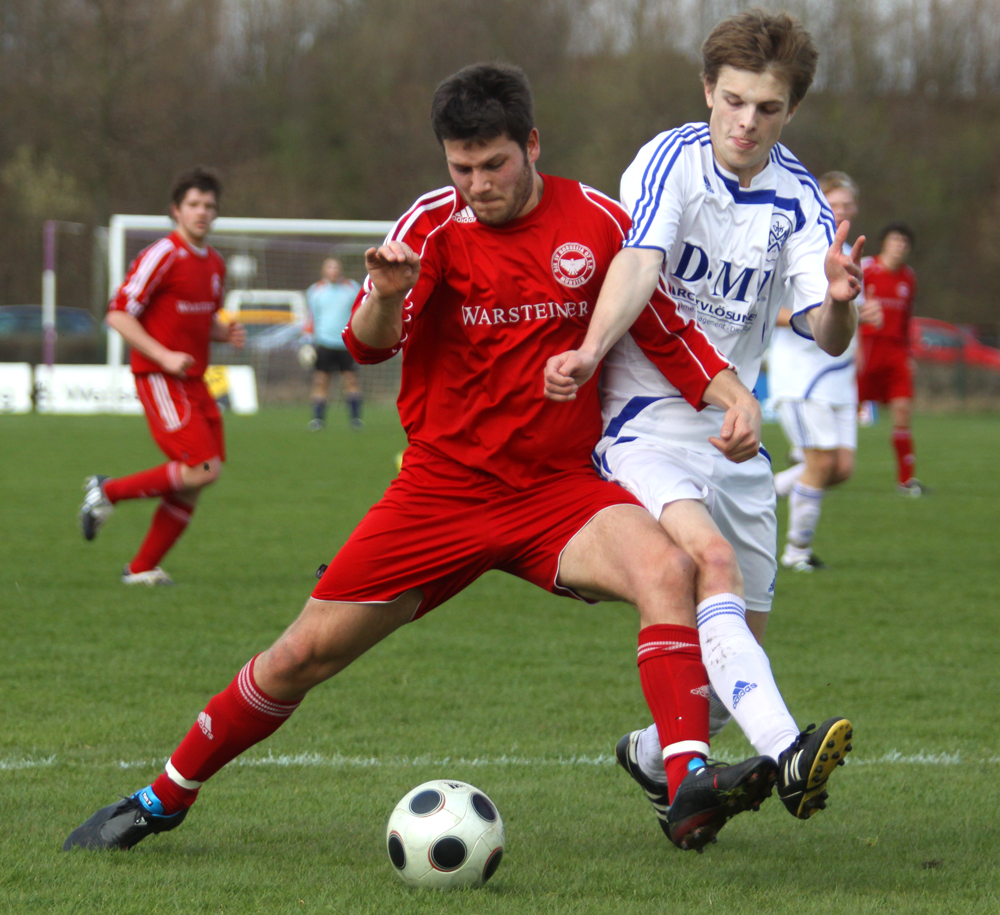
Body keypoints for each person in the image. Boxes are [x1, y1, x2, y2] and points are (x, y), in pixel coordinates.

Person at [65, 63, 777, 857]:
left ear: (532, 144)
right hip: (440, 493)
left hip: (558, 493)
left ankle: (685, 782)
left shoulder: (601, 222)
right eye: (461, 167)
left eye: (494, 164)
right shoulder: (431, 227)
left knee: (668, 570)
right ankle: (162, 796)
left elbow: (661, 327)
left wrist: (728, 392)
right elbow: (368, 346)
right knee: (300, 655)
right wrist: (382, 293)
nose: (477, 183)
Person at [545, 10, 857, 824]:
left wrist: (845, 303)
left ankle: (652, 757)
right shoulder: (668, 161)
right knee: (707, 560)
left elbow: (822, 328)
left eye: (768, 107)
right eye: (734, 100)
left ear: (792, 110)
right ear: (707, 91)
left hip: (736, 432)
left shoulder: (799, 199)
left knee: (734, 661)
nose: (747, 122)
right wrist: (590, 348)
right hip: (646, 417)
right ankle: (792, 753)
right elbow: (640, 262)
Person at [77, 168, 245, 585]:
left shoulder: (216, 264)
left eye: (209, 206)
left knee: (197, 478)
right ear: (176, 210)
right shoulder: (163, 254)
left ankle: (140, 569)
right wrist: (164, 355)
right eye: (193, 205)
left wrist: (221, 332)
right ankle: (107, 491)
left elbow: (199, 319)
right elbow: (117, 314)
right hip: (160, 378)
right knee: (203, 468)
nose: (202, 212)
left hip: (194, 381)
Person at [768, 171, 882, 571]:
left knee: (841, 469)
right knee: (819, 464)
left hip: (840, 377)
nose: (842, 211)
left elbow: (851, 315)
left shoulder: (850, 252)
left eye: (848, 205)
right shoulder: (792, 247)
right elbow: (768, 310)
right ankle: (797, 553)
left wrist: (866, 320)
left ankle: (758, 490)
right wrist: (814, 316)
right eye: (834, 204)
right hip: (801, 376)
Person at [858, 222, 924, 495]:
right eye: (895, 240)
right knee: (844, 411)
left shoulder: (908, 277)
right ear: (884, 242)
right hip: (866, 350)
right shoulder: (865, 268)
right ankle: (815, 464)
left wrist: (909, 354)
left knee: (902, 411)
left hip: (896, 353)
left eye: (904, 242)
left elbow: (906, 318)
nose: (900, 246)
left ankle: (905, 480)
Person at [305, 257, 363, 430]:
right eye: (329, 267)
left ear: (340, 269)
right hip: (324, 343)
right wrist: (307, 342)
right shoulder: (315, 291)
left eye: (336, 267)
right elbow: (310, 318)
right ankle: (318, 420)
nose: (333, 271)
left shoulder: (352, 288)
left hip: (347, 344)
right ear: (324, 270)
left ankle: (355, 420)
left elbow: (361, 313)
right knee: (321, 382)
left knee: (351, 381)